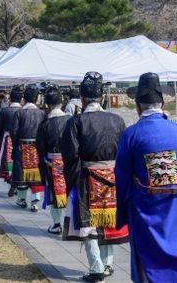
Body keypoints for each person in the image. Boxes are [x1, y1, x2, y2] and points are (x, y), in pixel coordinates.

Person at [115, 73, 177, 282]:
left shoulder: (131, 134)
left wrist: (122, 212)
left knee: (148, 258)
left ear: (138, 106)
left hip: (145, 209)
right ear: (162, 103)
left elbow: (122, 176)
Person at [61, 72, 128, 283]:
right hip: (113, 176)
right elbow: (124, 152)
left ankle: (96, 267)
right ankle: (107, 263)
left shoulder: (76, 122)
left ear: (82, 98)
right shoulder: (117, 120)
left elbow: (70, 155)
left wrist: (72, 181)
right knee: (108, 219)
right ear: (102, 97)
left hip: (87, 177)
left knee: (88, 222)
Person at [36, 85, 70, 235]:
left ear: (47, 104)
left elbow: (40, 147)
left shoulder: (45, 124)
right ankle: (71, 223)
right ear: (61, 102)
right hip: (69, 162)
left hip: (51, 162)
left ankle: (57, 224)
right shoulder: (70, 120)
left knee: (54, 193)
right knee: (71, 191)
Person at [11, 85, 46, 212]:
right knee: (36, 174)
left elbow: (14, 132)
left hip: (22, 145)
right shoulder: (42, 113)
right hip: (37, 148)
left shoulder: (19, 113)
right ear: (36, 99)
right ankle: (35, 201)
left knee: (21, 174)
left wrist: (15, 144)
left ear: (24, 99)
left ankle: (22, 199)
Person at [0, 85, 23, 195]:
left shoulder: (5, 111)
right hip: (21, 140)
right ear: (21, 99)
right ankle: (16, 183)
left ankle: (11, 181)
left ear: (10, 98)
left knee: (8, 161)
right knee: (20, 162)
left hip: (7, 139)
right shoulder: (23, 111)